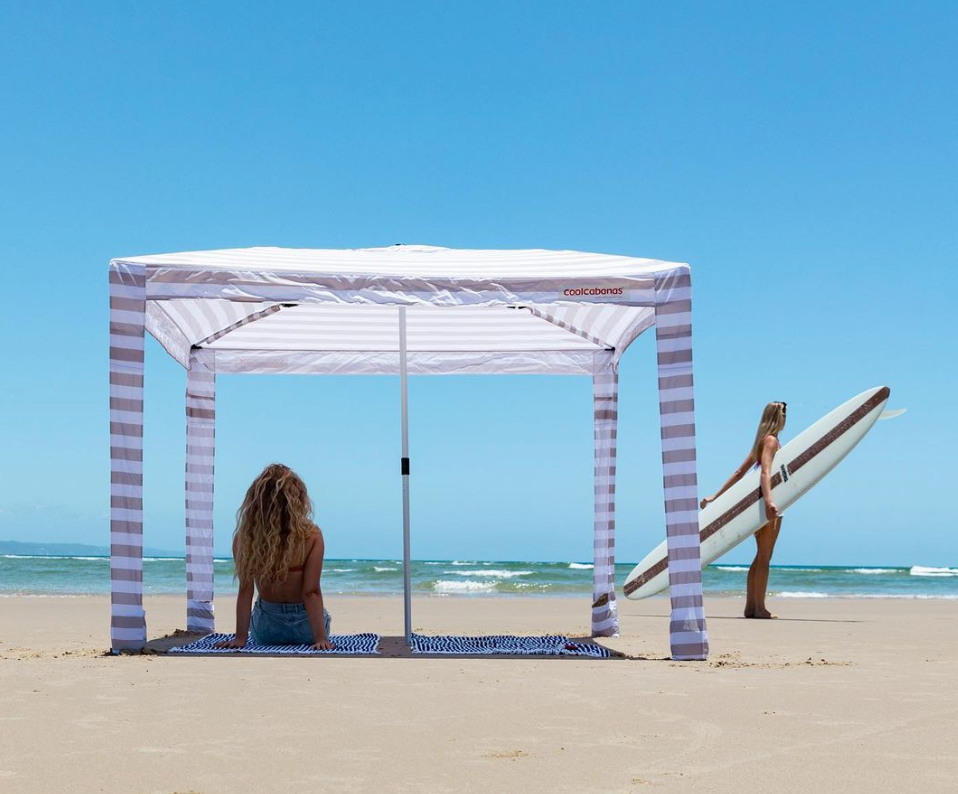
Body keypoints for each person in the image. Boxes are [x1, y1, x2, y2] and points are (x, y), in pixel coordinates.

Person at [216, 463, 334, 649]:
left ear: (257, 501)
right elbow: (311, 592)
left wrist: (240, 639)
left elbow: (246, 591)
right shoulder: (312, 536)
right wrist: (320, 639)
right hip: (307, 629)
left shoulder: (245, 538)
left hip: (267, 630)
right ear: (297, 500)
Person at [699, 401, 787, 619]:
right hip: (768, 502)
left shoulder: (760, 442)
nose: (786, 418)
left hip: (757, 504)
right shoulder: (771, 441)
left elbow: (739, 473)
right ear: (777, 417)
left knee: (760, 556)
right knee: (765, 557)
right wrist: (769, 501)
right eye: (784, 414)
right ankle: (760, 608)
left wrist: (716, 496)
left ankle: (751, 607)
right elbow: (765, 473)